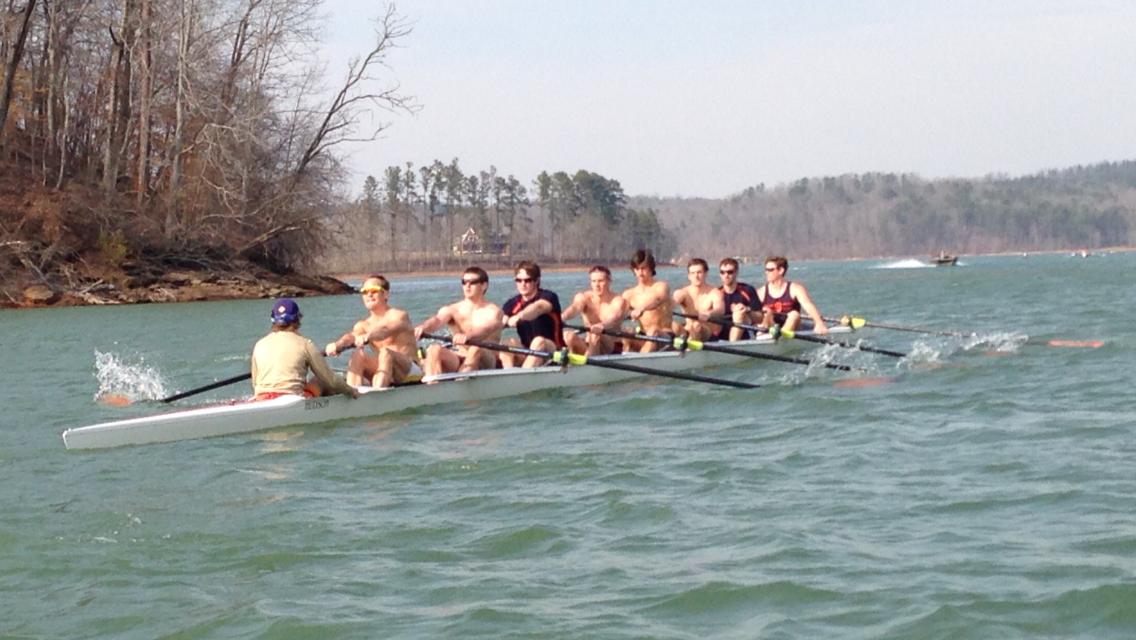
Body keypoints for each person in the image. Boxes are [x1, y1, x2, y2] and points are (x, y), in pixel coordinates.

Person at [250, 298, 359, 401]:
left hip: (261, 397)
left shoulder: (259, 344)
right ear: (297, 319)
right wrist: (352, 392)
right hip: (292, 397)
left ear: (273, 320)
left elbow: (255, 383)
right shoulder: (305, 344)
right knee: (320, 380)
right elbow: (331, 381)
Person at [324, 275, 422, 388]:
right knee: (358, 355)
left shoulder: (399, 315)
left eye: (374, 290)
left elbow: (385, 330)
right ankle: (353, 395)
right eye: (365, 292)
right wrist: (338, 344)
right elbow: (350, 337)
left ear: (386, 294)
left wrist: (369, 336)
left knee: (386, 352)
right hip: (387, 371)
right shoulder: (362, 325)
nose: (369, 295)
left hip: (410, 371)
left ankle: (377, 396)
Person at [413, 266, 504, 379]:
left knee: (475, 348)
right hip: (459, 356)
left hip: (486, 359)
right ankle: (432, 387)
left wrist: (467, 336)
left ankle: (458, 384)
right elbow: (437, 320)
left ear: (484, 285)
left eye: (473, 282)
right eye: (464, 282)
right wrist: (423, 328)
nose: (467, 286)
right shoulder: (453, 309)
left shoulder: (493, 311)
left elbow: (486, 329)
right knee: (433, 349)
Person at [499, 260, 565, 368]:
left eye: (527, 280)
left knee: (538, 341)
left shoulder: (549, 297)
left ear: (537, 281)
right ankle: (509, 376)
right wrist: (500, 323)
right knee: (507, 343)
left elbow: (538, 308)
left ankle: (523, 378)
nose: (522, 284)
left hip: (554, 351)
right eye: (519, 280)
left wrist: (519, 317)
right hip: (528, 350)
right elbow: (500, 320)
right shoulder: (512, 303)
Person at [561, 265, 629, 355]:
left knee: (595, 334)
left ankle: (588, 365)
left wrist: (602, 325)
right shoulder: (584, 297)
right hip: (590, 344)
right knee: (568, 336)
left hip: (611, 347)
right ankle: (580, 363)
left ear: (609, 281)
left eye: (601, 281)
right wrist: (561, 317)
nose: (597, 285)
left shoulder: (618, 300)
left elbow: (614, 317)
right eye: (594, 281)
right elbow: (575, 308)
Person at [756, 256, 828, 334]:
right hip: (772, 328)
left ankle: (782, 336)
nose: (766, 273)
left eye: (770, 270)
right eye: (766, 270)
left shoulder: (795, 289)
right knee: (766, 312)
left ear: (781, 271)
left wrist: (818, 322)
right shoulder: (761, 292)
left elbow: (808, 305)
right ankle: (763, 337)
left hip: (792, 327)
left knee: (794, 314)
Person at [620, 249, 674, 352]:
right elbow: (619, 313)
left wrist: (641, 309)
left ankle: (640, 361)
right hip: (643, 335)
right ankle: (625, 358)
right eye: (637, 269)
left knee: (653, 330)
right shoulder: (628, 294)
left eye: (643, 268)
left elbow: (657, 299)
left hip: (665, 336)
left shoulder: (661, 286)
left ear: (651, 269)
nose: (640, 272)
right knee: (626, 332)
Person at [672, 257, 725, 341]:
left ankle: (689, 349)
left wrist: (709, 314)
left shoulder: (714, 293)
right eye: (693, 273)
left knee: (696, 326)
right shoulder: (683, 293)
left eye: (699, 272)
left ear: (706, 274)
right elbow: (673, 302)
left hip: (708, 334)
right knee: (673, 325)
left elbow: (720, 310)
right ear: (689, 276)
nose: (696, 276)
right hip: (688, 330)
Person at [717, 257, 760, 341]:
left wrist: (747, 310)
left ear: (736, 272)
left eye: (730, 272)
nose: (726, 275)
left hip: (745, 335)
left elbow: (760, 318)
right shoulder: (717, 294)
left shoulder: (748, 290)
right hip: (722, 336)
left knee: (738, 314)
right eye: (722, 272)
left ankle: (732, 345)